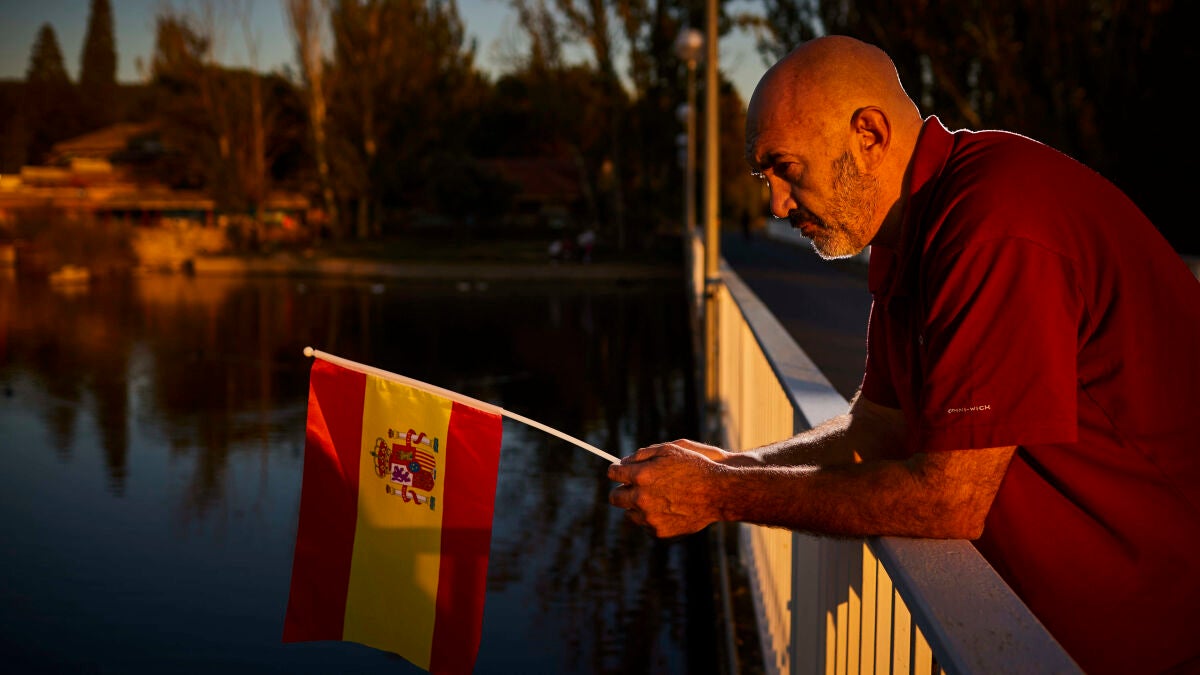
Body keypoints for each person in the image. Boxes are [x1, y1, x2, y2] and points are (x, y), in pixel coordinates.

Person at [608, 35, 1200, 675]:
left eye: (785, 168)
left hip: (1166, 635)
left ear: (868, 135)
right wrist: (731, 467)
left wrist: (724, 495)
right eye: (764, 177)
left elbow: (948, 500)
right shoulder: (913, 226)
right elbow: (877, 431)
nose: (775, 204)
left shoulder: (993, 221)